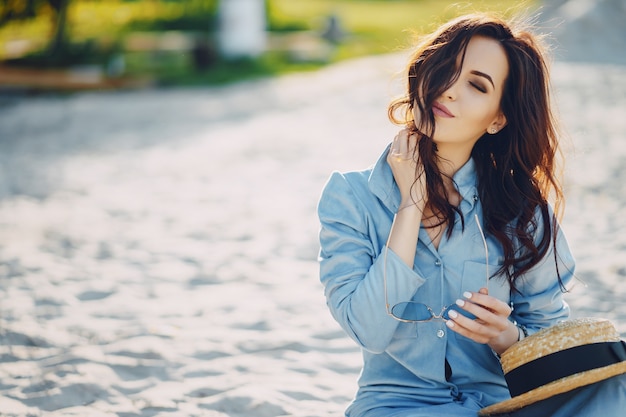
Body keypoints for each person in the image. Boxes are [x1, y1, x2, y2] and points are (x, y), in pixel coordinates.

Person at [317, 13, 578, 416]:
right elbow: (368, 329)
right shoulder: (351, 197)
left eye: (476, 85)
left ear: (498, 118)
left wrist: (507, 337)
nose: (450, 90)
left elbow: (552, 340)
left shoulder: (524, 213)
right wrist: (410, 205)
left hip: (501, 405)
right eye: (445, 70)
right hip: (393, 405)